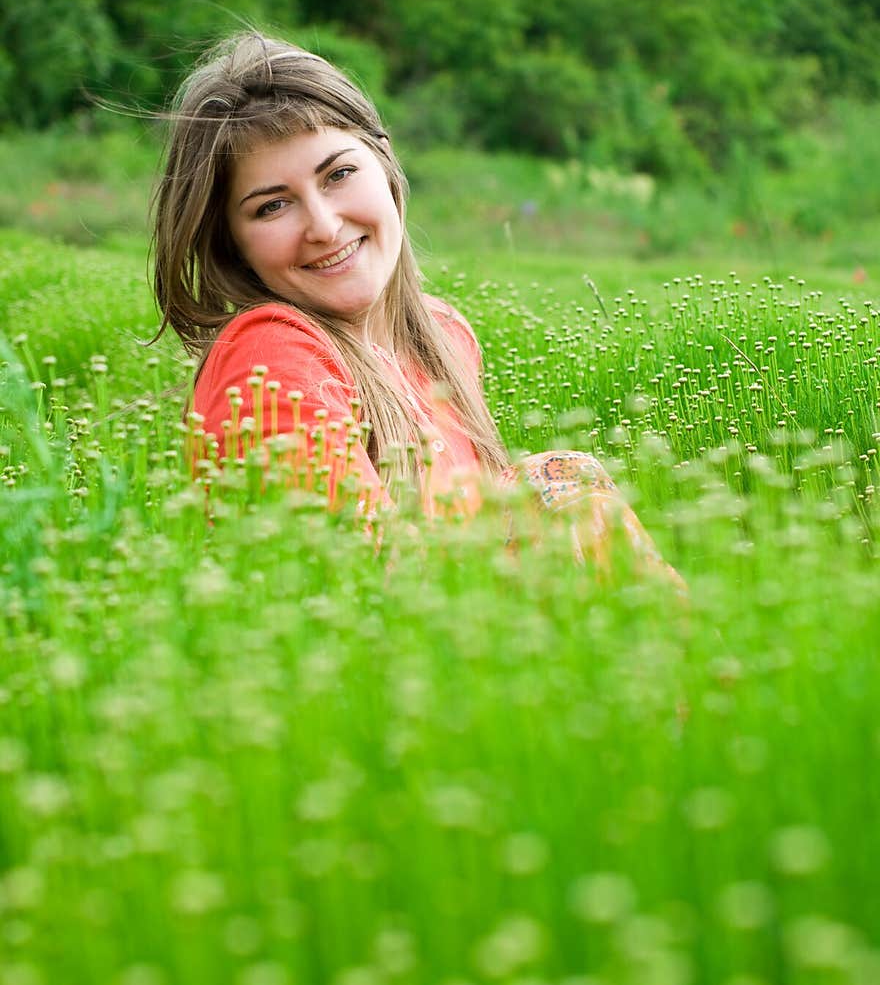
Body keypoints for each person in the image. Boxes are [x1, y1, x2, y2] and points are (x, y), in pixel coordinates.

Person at [152, 31, 683, 586]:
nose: (324, 227)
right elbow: (361, 588)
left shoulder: (443, 337)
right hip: (386, 662)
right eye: (273, 206)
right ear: (231, 243)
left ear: (384, 165)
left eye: (338, 175)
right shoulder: (271, 358)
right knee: (558, 483)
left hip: (494, 648)